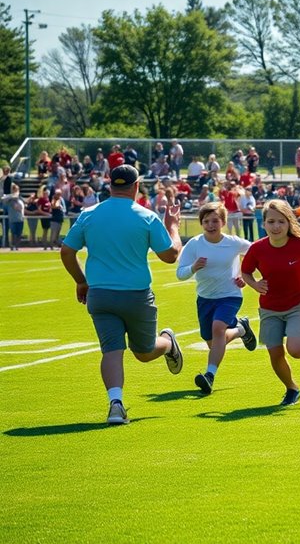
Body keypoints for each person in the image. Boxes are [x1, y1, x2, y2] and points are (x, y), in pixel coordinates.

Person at [59, 165, 185, 425]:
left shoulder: (88, 214)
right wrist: (172, 226)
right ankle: (167, 344)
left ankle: (116, 405)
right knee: (145, 351)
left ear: (109, 185)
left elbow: (66, 252)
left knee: (112, 352)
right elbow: (171, 256)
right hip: (136, 295)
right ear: (136, 186)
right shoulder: (146, 216)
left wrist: (81, 282)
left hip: (100, 295)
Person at [240, 200, 300, 406]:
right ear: (263, 223)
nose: (276, 226)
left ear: (289, 223)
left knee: (296, 350)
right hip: (269, 308)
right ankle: (292, 388)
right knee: (275, 353)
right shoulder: (257, 248)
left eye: (281, 221)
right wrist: (254, 284)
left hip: (298, 304)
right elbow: (245, 271)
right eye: (271, 221)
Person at [175, 202, 257, 395]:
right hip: (205, 298)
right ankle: (240, 329)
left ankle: (209, 376)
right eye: (206, 221)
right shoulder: (194, 244)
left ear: (223, 222)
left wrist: (245, 275)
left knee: (218, 328)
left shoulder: (233, 242)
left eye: (215, 221)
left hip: (230, 295)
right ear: (201, 223)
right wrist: (193, 268)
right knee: (213, 341)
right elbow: (180, 273)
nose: (211, 225)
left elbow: (257, 253)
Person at [1, 184, 25, 250]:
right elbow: (3, 199)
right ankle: (12, 246)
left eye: (17, 190)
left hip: (20, 219)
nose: (16, 191)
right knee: (13, 233)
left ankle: (17, 246)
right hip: (13, 219)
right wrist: (12, 196)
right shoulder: (9, 200)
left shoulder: (20, 199)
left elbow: (25, 202)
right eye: (14, 190)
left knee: (19, 234)